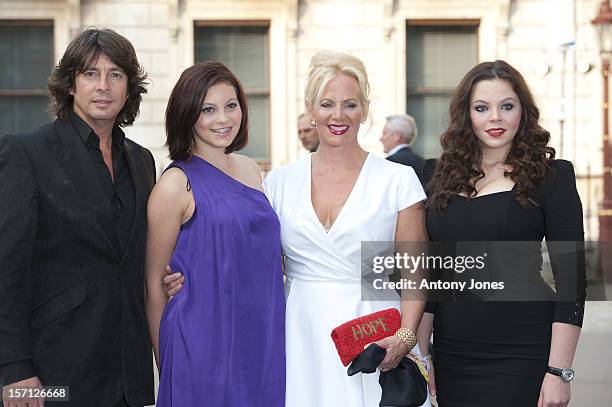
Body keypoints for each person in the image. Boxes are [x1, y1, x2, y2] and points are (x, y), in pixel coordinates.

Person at [0, 28, 155, 407]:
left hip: (128, 374)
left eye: (115, 74)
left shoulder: (142, 161)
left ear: (128, 87)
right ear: (70, 84)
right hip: (54, 374)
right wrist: (15, 369)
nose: (103, 86)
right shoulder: (26, 153)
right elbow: (6, 271)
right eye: (90, 74)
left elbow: (135, 257)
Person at [265, 51, 430, 406]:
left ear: (364, 110)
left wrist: (404, 338)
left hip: (374, 335)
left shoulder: (398, 180)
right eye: (327, 104)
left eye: (350, 104)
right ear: (311, 110)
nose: (338, 116)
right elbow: (255, 264)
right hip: (299, 334)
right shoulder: (278, 183)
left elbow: (416, 275)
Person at [420, 60, 586, 407]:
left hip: (522, 351)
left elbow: (572, 280)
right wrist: (423, 357)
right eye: (482, 108)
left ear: (523, 112)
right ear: (467, 114)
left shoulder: (552, 177)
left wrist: (559, 372)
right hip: (452, 352)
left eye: (506, 106)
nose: (495, 117)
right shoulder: (435, 176)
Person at [144, 61, 285, 407]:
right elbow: (152, 287)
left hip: (261, 339)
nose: (223, 119)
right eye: (208, 109)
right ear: (187, 114)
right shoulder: (174, 185)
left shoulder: (252, 169)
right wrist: (171, 366)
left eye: (231, 105)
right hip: (202, 349)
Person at [380, 114, 425, 183]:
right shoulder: (423, 162)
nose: (380, 139)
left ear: (397, 136)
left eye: (384, 133)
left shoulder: (391, 162)